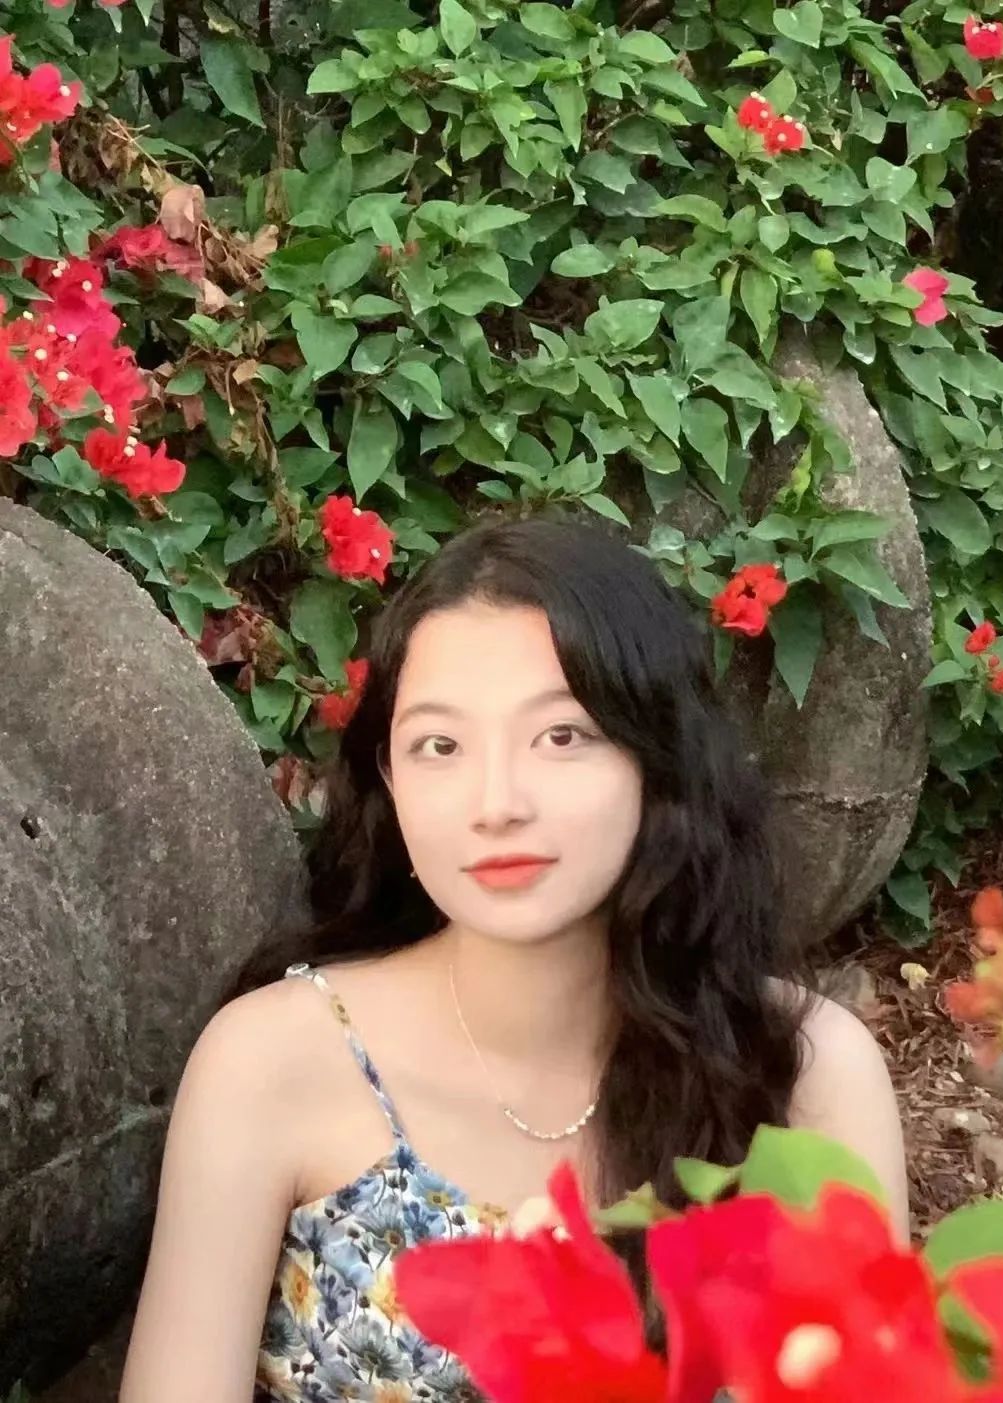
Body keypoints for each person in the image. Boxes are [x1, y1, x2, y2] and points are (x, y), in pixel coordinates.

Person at [119, 517, 908, 1403]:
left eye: (561, 735)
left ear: (659, 759)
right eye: (440, 745)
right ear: (391, 781)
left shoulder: (808, 1074)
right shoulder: (272, 1062)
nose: (496, 802)